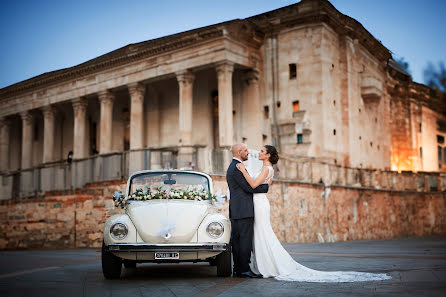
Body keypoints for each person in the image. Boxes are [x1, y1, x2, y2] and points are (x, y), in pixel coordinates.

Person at [236, 145, 391, 282]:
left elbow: (254, 184)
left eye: (262, 151)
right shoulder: (267, 168)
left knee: (263, 233)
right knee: (260, 234)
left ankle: (268, 267)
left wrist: (243, 171)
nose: (259, 152)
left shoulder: (266, 168)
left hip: (260, 203)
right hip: (259, 202)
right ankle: (263, 266)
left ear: (268, 155)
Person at [226, 143, 269, 278]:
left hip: (237, 210)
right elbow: (249, 187)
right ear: (239, 152)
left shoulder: (233, 166)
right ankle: (244, 269)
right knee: (244, 241)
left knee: (238, 241)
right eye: (245, 151)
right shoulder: (237, 168)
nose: (248, 153)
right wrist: (265, 188)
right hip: (244, 210)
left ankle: (238, 269)